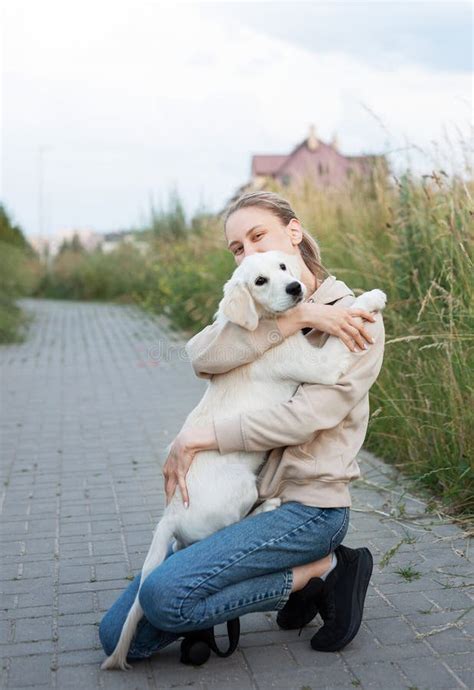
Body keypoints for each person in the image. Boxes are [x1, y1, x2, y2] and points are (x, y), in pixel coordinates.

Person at [99, 190, 385, 661]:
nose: (249, 253)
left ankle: (325, 569)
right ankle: (252, 584)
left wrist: (200, 437)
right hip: (246, 504)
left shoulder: (356, 317)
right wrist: (296, 319)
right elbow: (201, 354)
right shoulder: (260, 304)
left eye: (258, 237)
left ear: (293, 232)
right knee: (118, 637)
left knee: (166, 597)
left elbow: (307, 416)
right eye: (238, 248)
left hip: (308, 508)